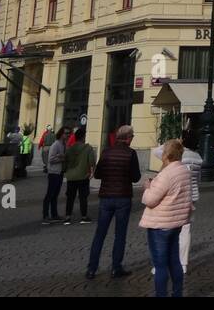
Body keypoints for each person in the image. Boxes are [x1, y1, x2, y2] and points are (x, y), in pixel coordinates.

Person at [86, 124, 141, 280]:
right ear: (128, 138)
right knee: (120, 234)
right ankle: (116, 268)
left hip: (106, 197)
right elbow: (136, 177)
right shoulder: (131, 154)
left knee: (100, 234)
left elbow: (97, 174)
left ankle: (92, 268)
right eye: (132, 136)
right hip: (123, 197)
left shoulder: (106, 152)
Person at [140, 138, 193, 297]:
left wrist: (148, 188)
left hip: (160, 224)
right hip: (176, 222)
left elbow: (150, 200)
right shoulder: (184, 170)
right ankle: (177, 293)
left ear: (166, 154)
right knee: (174, 262)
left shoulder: (167, 173)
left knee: (161, 265)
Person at [151, 138, 202, 274]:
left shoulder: (178, 156)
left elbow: (157, 152)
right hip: (192, 195)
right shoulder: (198, 157)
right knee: (186, 230)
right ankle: (183, 263)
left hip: (176, 195)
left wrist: (172, 141)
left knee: (167, 229)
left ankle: (161, 264)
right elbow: (198, 180)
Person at [63, 126, 97, 224]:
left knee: (70, 197)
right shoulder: (88, 148)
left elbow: (65, 162)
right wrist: (92, 172)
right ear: (83, 137)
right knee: (83, 197)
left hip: (71, 176)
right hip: (83, 176)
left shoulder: (70, 149)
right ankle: (83, 216)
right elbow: (92, 162)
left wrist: (66, 172)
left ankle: (67, 217)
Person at [42, 126, 70, 223]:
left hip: (60, 172)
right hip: (54, 172)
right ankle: (45, 215)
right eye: (66, 133)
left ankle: (54, 214)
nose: (67, 135)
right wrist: (62, 158)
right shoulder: (56, 144)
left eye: (68, 133)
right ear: (61, 134)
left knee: (55, 194)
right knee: (50, 194)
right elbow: (51, 159)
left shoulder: (63, 144)